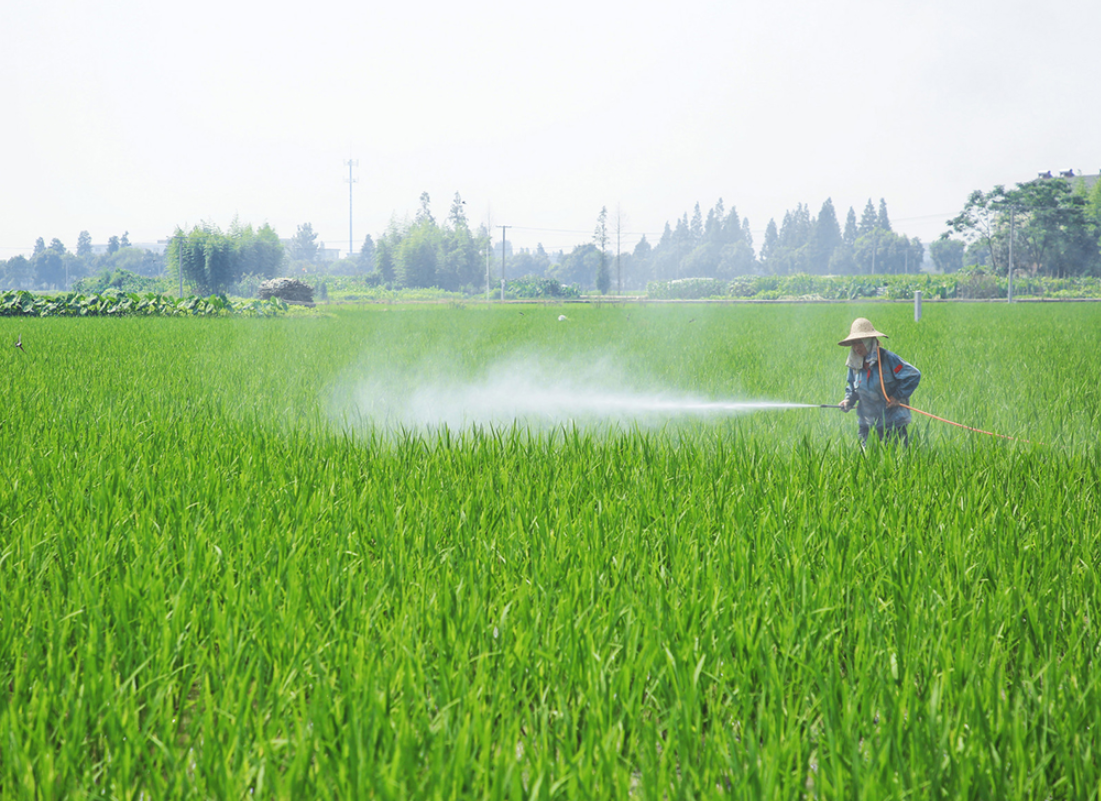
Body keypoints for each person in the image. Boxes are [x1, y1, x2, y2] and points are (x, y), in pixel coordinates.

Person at [837, 318, 920, 446]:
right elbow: (852, 388)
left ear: (870, 341)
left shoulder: (888, 359)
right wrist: (848, 400)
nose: (857, 347)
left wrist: (896, 397)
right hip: (867, 422)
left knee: (895, 459)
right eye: (854, 343)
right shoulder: (855, 365)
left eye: (860, 342)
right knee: (866, 460)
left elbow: (913, 375)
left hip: (893, 422)